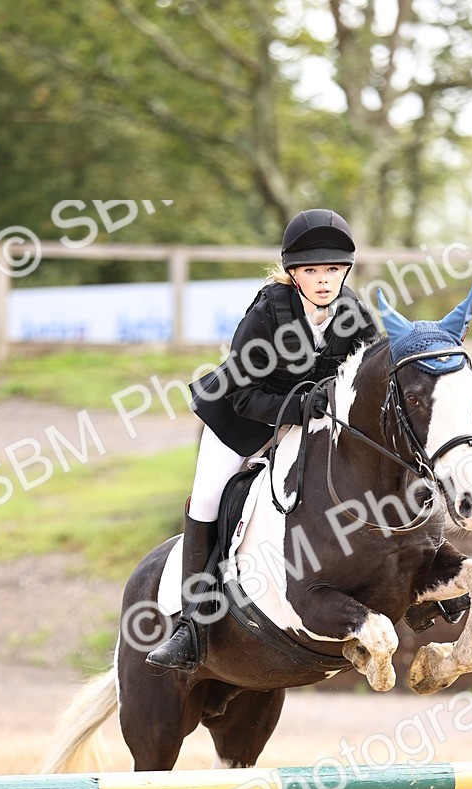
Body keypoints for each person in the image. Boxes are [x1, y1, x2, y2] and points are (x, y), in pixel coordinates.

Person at [145, 207, 380, 674]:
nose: (323, 280)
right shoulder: (268, 311)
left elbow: (370, 377)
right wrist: (299, 408)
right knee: (209, 499)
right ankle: (190, 627)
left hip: (311, 428)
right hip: (242, 424)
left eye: (332, 270)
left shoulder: (354, 313)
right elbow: (241, 393)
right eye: (312, 271)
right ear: (294, 273)